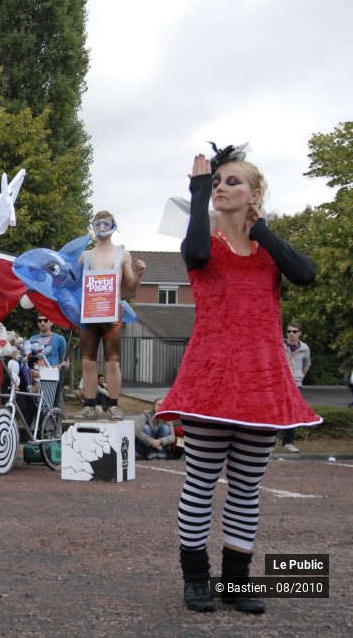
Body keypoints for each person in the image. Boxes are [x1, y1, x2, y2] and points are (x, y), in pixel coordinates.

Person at [157, 145, 321, 614]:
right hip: (213, 378)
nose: (223, 188)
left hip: (261, 381)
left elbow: (306, 273)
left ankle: (237, 582)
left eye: (234, 181)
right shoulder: (206, 245)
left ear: (255, 193)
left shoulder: (269, 251)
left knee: (247, 487)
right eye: (218, 182)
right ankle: (196, 579)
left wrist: (261, 226)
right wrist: (196, 186)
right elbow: (192, 251)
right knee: (201, 482)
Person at [75, 211, 146, 420]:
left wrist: (140, 273)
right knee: (88, 360)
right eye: (98, 223)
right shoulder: (85, 256)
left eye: (105, 223)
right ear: (93, 226)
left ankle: (113, 405)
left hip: (112, 312)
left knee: (112, 361)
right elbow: (71, 282)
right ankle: (90, 405)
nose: (101, 227)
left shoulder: (122, 254)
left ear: (113, 225)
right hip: (89, 312)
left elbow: (131, 285)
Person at [281, 321, 310, 453]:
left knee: (292, 413)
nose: (291, 334)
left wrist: (299, 377)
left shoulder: (304, 348)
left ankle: (288, 442)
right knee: (277, 411)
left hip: (296, 384)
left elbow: (306, 364)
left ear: (299, 333)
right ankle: (270, 441)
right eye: (289, 331)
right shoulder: (280, 345)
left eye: (294, 331)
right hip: (280, 383)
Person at [29, 314, 68, 408]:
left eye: (45, 320)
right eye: (40, 320)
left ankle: (59, 421)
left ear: (51, 322)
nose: (42, 323)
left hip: (52, 380)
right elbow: (28, 359)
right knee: (36, 409)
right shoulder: (32, 339)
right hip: (36, 380)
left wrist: (55, 368)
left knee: (56, 408)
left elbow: (66, 363)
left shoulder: (59, 339)